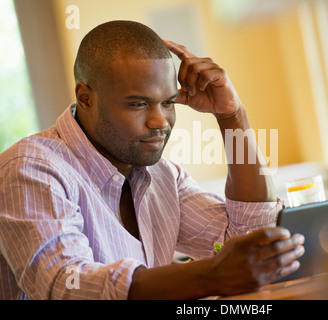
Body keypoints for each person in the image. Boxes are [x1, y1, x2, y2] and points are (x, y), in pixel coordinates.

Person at [0, 20, 304, 300]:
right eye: (139, 104)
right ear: (85, 97)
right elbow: (64, 284)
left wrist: (231, 115)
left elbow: (250, 242)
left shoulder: (162, 176)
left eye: (169, 102)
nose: (160, 121)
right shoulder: (31, 169)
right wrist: (210, 276)